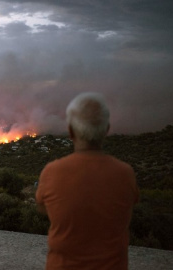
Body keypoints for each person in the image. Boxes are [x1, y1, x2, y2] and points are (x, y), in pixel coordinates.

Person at [35, 92, 139, 270]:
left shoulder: (52, 172)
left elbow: (43, 209)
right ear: (107, 130)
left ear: (70, 131)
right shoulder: (125, 174)